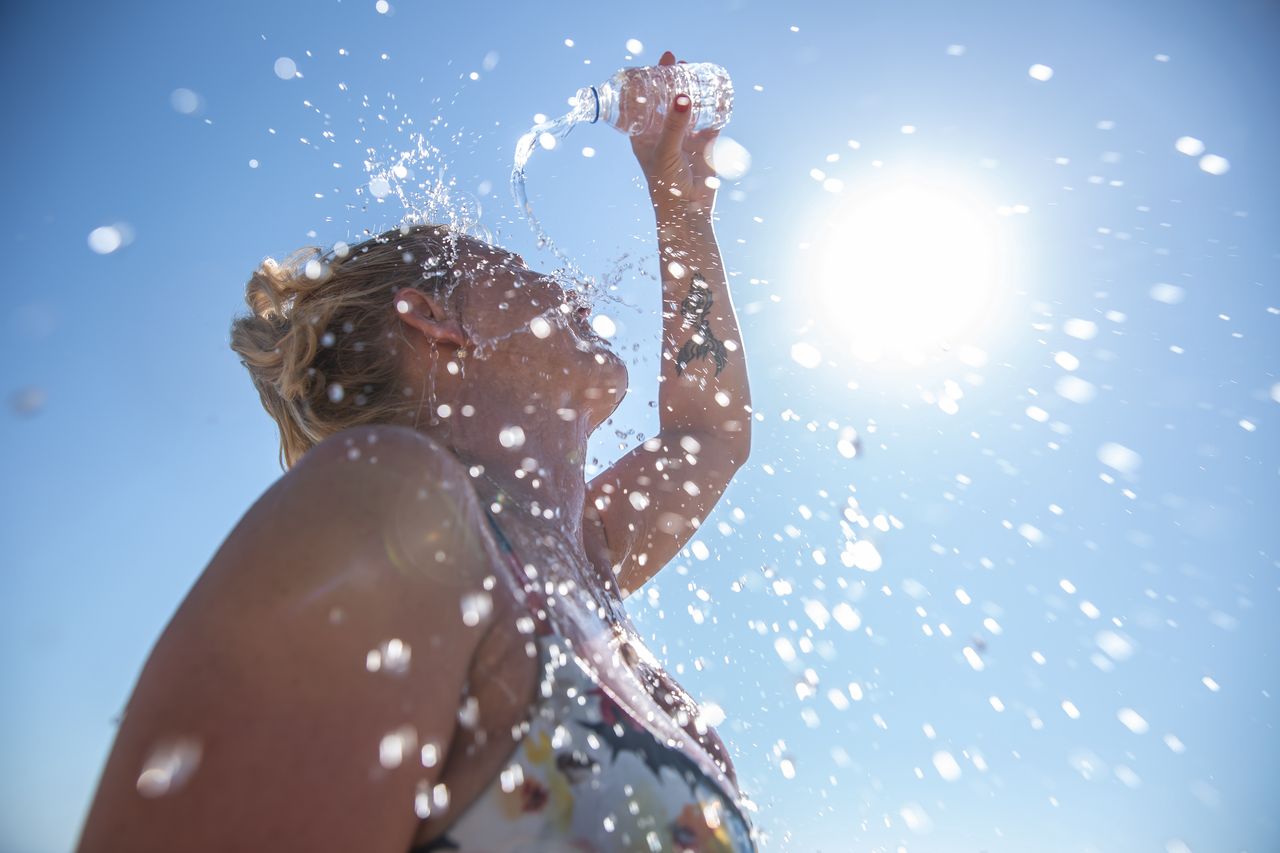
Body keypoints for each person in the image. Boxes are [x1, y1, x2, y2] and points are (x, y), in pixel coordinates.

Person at [77, 50, 754, 852]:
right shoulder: (397, 513)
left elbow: (707, 435)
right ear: (434, 318)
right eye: (521, 269)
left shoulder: (579, 558)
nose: (570, 291)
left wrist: (680, 208)